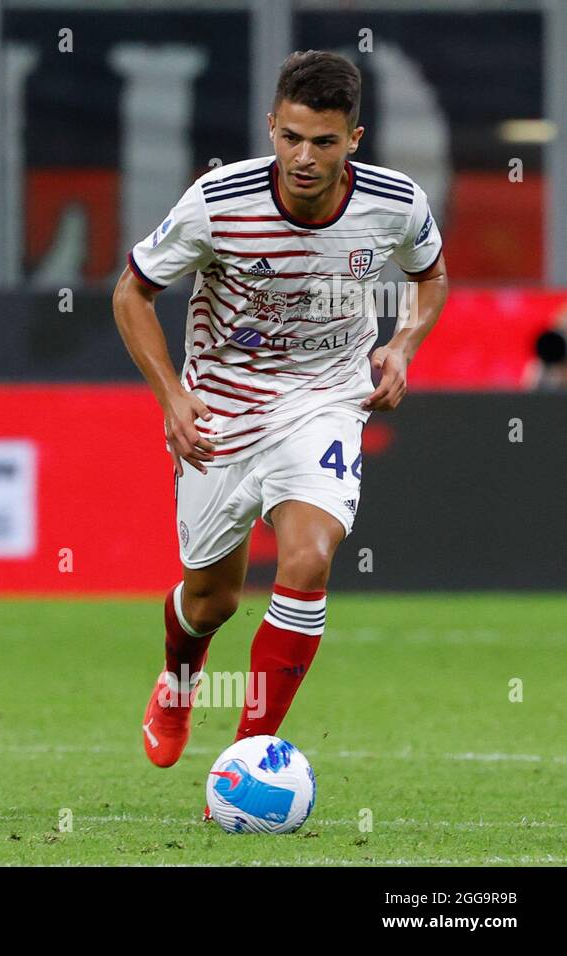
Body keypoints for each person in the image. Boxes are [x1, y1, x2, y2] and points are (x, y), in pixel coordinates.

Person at [111, 50, 448, 818]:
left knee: (307, 556)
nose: (303, 157)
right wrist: (171, 395)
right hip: (221, 412)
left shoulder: (396, 203)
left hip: (325, 402)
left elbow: (430, 275)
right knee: (213, 598)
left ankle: (246, 759)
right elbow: (132, 293)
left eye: (323, 142)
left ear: (353, 139)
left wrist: (402, 344)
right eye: (291, 136)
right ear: (271, 125)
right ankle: (179, 678)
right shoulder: (216, 202)